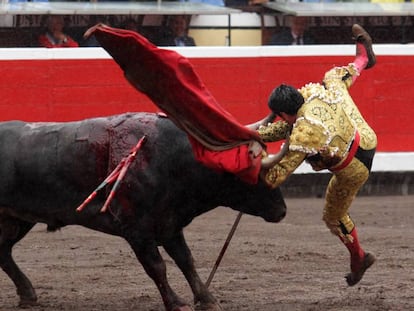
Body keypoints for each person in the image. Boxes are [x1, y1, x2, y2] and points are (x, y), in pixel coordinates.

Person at [256, 24, 377, 286]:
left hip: (353, 168)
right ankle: (364, 58)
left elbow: (275, 176)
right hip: (365, 136)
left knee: (333, 217)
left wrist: (251, 162)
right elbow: (289, 125)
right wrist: (258, 136)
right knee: (335, 80)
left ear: (284, 113)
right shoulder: (312, 93)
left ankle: (359, 257)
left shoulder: (304, 134)